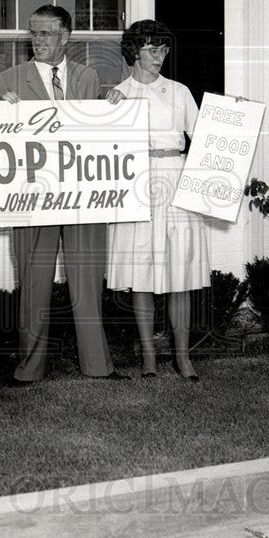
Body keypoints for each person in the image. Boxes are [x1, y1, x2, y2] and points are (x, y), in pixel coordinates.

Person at [0, 4, 128, 384]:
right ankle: (29, 369)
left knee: (87, 279)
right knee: (33, 282)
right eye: (33, 33)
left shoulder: (89, 78)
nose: (38, 41)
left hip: (81, 195)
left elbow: (102, 130)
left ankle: (98, 365)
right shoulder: (8, 79)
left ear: (66, 37)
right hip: (31, 195)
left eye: (47, 34)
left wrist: (114, 106)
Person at [105, 19, 210, 381]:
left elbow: (205, 138)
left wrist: (232, 120)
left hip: (177, 178)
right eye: (152, 49)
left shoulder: (179, 91)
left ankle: (182, 356)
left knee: (180, 271)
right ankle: (149, 356)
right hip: (137, 184)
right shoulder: (116, 94)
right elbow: (105, 148)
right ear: (134, 51)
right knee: (142, 273)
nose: (159, 56)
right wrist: (110, 110)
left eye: (164, 49)